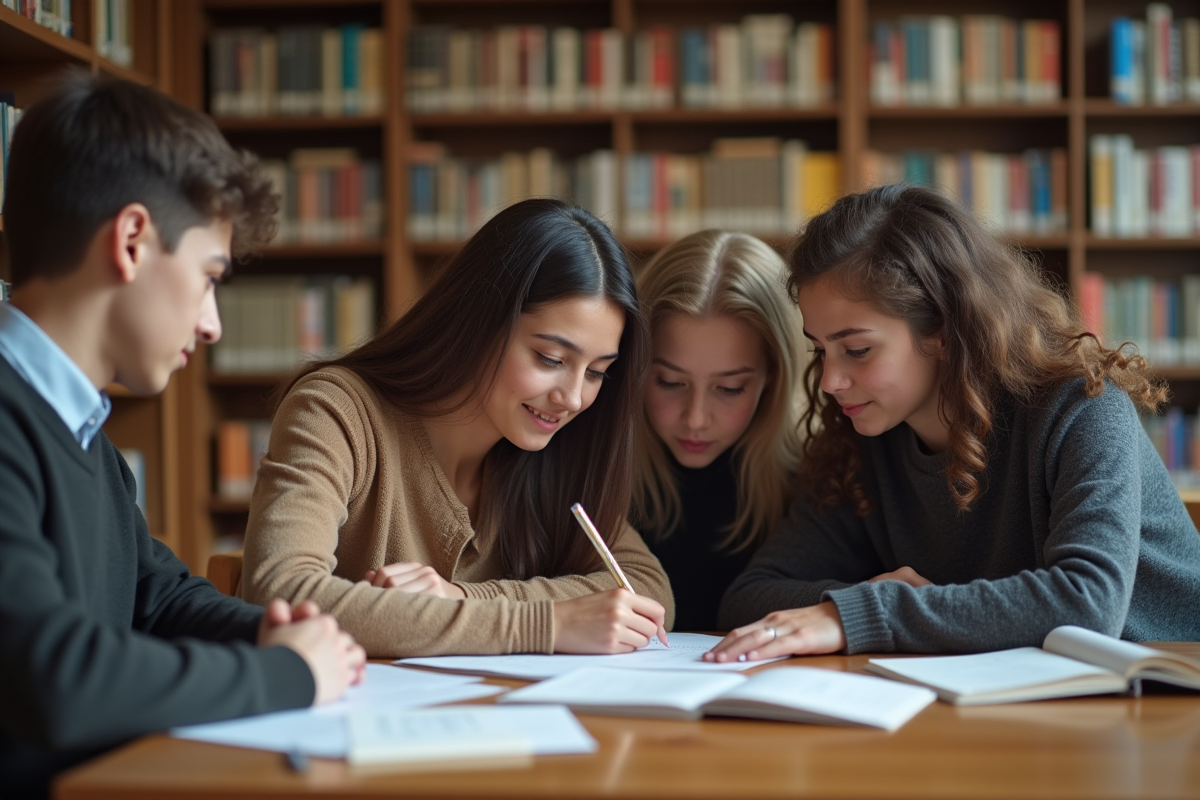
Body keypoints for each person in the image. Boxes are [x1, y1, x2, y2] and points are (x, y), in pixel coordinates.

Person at [0, 72, 365, 799]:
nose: (212, 323)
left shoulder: (82, 436)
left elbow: (158, 600)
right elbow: (56, 678)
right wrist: (289, 673)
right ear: (133, 241)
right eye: (207, 277)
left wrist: (279, 631)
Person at [707, 183, 1200, 662]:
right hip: (1025, 697)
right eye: (820, 350)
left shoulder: (1084, 408)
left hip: (1162, 694)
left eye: (857, 350)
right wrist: (858, 603)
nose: (829, 381)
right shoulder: (862, 442)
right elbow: (751, 595)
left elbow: (1088, 604)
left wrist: (857, 613)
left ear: (944, 328)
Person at [241, 197, 673, 657]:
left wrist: (466, 598)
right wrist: (542, 624)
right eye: (551, 359)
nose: (572, 398)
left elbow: (646, 589)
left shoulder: (559, 449)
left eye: (596, 372)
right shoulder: (336, 411)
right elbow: (280, 592)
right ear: (480, 321)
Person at [633, 230, 805, 631]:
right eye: (670, 383)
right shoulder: (591, 470)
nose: (695, 418)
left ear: (773, 378)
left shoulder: (817, 478)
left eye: (729, 388)